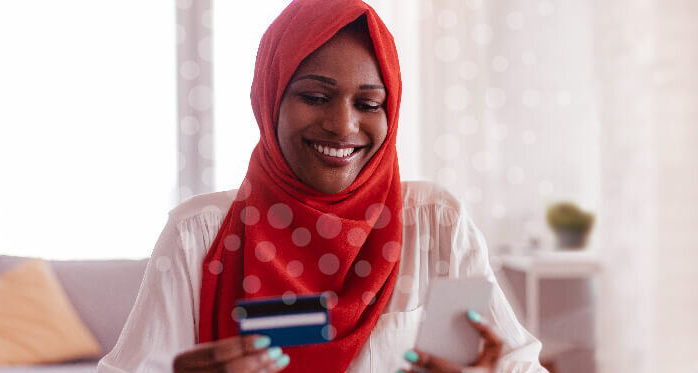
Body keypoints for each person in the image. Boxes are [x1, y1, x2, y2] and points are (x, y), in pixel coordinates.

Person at [97, 1, 547, 372]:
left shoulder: (435, 223)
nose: (343, 125)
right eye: (314, 97)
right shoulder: (197, 235)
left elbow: (518, 364)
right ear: (269, 97)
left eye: (369, 103)